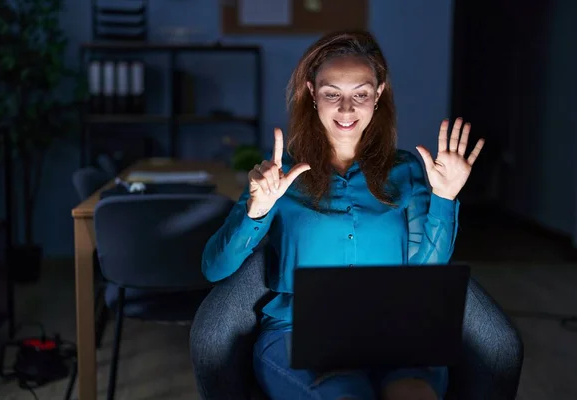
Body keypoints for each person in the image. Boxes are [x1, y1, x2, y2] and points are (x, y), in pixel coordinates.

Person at [202, 30, 484, 400]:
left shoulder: (408, 171)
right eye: (332, 93)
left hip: (393, 332)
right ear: (311, 93)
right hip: (297, 333)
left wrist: (445, 198)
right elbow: (214, 267)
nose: (346, 109)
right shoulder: (279, 175)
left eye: (361, 94)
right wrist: (257, 209)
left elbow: (424, 273)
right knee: (346, 394)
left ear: (378, 95)